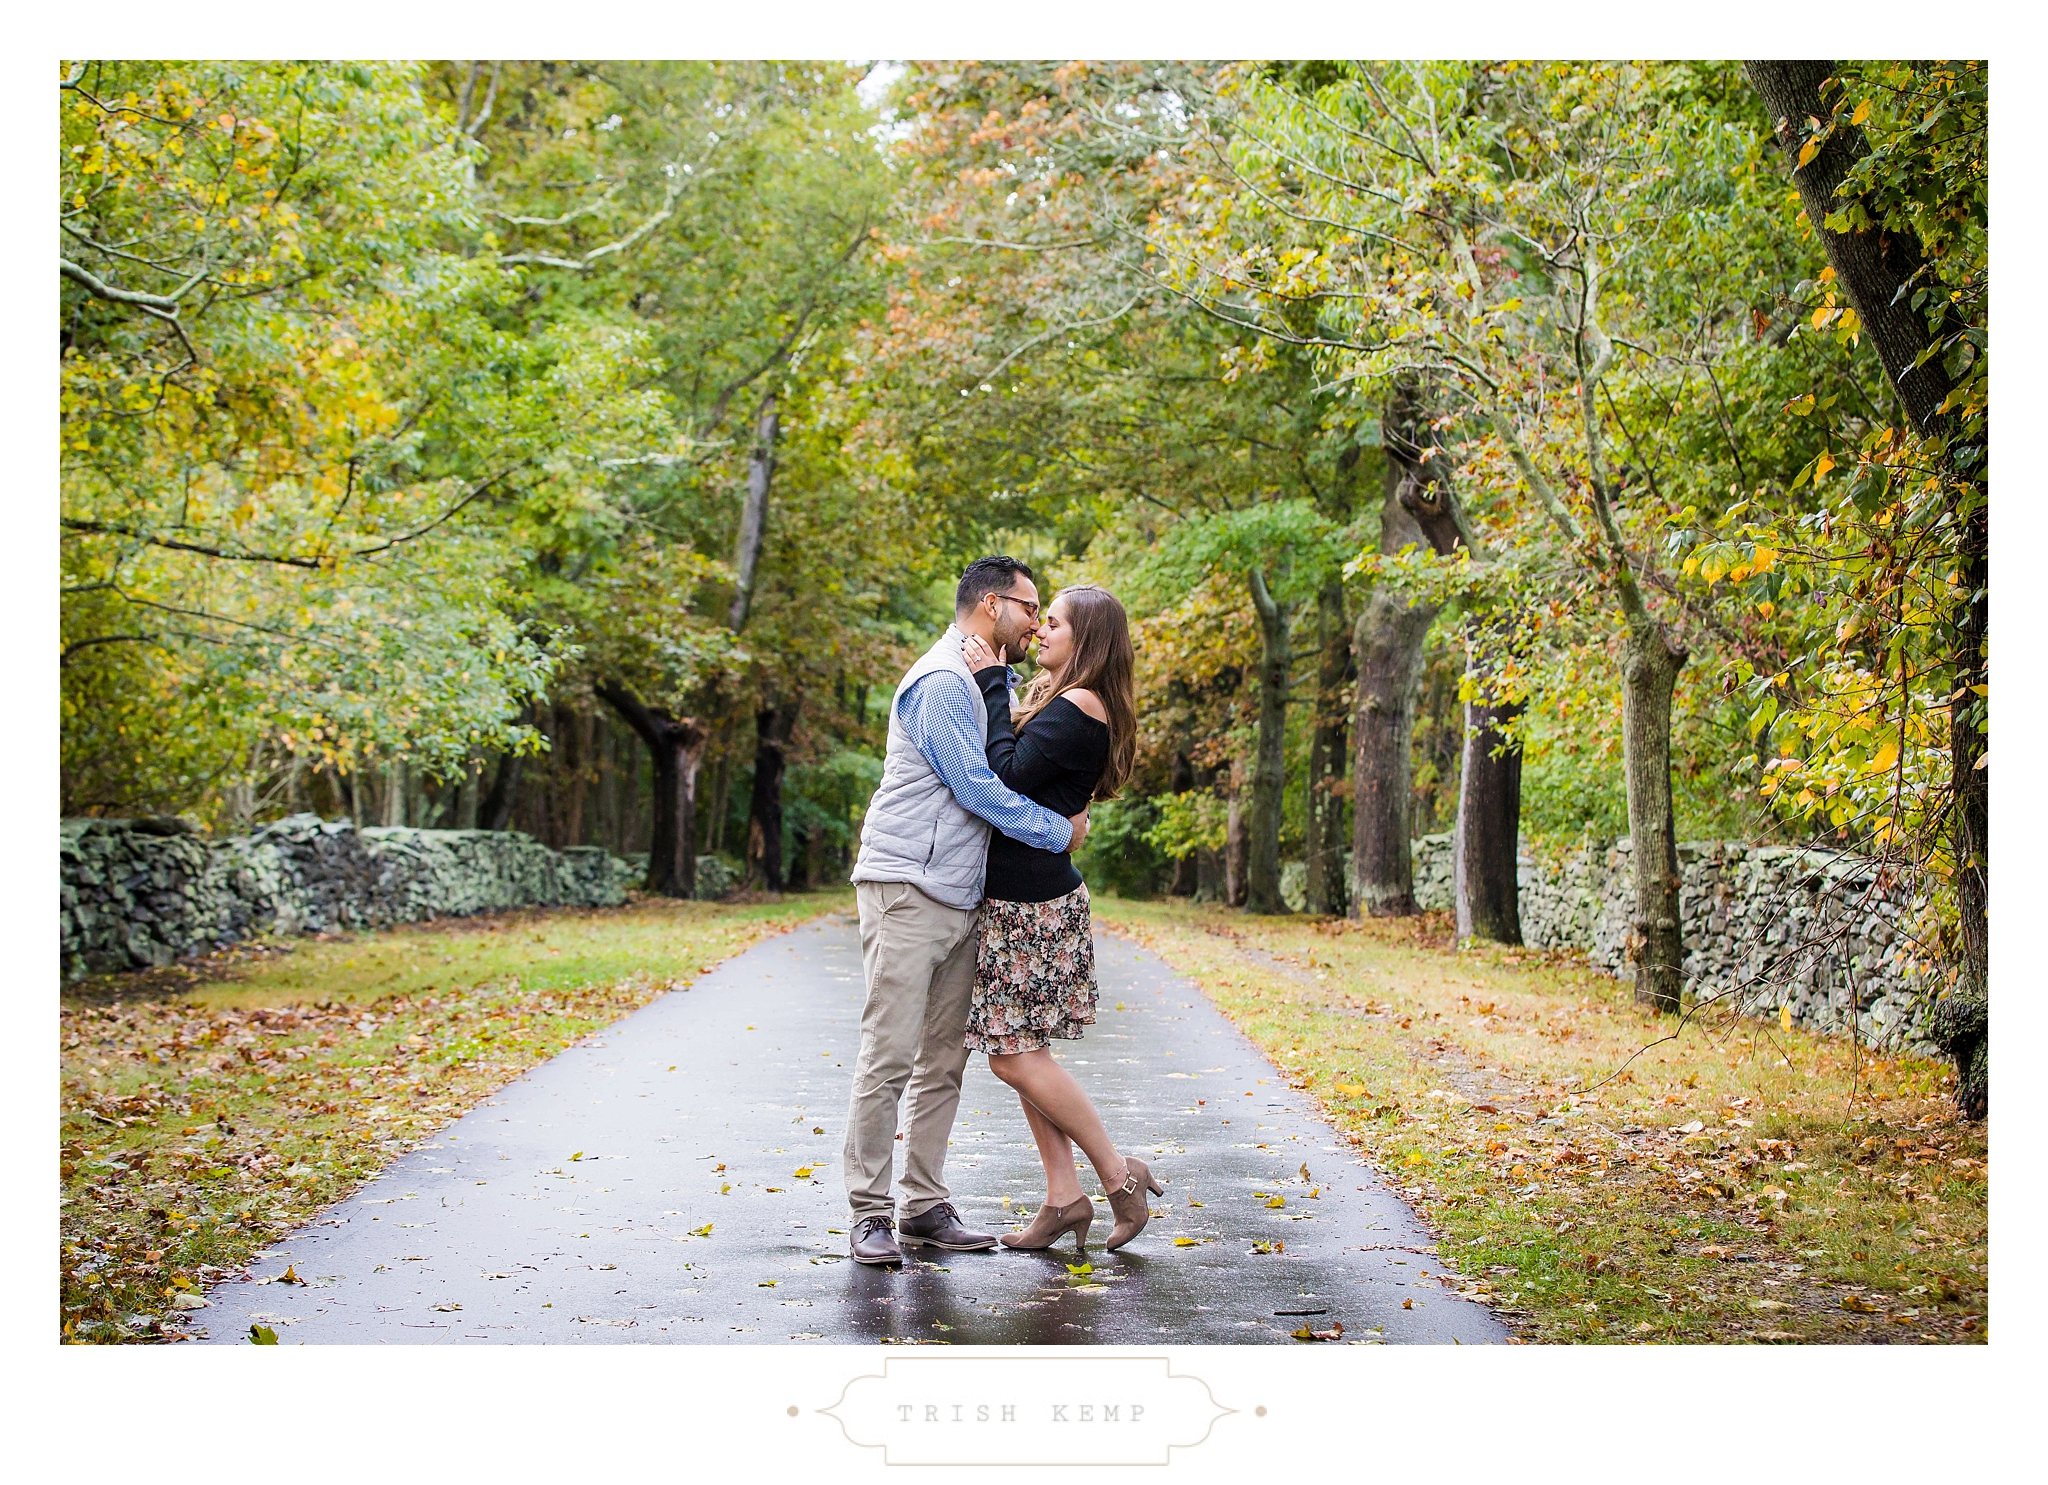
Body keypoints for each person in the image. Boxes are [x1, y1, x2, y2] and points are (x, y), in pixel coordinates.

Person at [842, 556, 1093, 1267]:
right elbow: (977, 785)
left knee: (944, 1061)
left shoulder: (989, 677)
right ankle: (868, 1212)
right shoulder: (942, 680)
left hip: (960, 893)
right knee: (890, 1055)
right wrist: (1058, 831)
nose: (1037, 623)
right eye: (1030, 607)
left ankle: (923, 1205)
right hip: (906, 887)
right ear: (991, 604)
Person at [959, 583, 1164, 1254]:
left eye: (1055, 623)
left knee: (1014, 1059)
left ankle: (1118, 1176)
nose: (1042, 630)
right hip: (1025, 896)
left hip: (1034, 905)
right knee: (1023, 1056)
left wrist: (992, 682)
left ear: (1087, 640)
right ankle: (1062, 1196)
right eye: (1041, 619)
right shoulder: (1069, 700)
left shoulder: (1080, 705)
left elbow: (1004, 776)